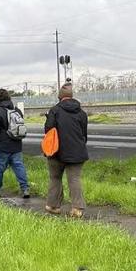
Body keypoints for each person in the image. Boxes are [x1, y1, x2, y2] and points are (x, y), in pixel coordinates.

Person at [43, 82, 88, 218]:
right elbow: (84, 134)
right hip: (77, 151)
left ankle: (53, 206)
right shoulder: (81, 113)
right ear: (72, 97)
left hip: (56, 151)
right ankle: (77, 209)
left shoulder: (55, 110)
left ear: (60, 97)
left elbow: (48, 130)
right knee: (74, 179)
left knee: (55, 178)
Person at [0, 89, 30, 199]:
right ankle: (25, 189)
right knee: (19, 166)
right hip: (16, 145)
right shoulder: (17, 110)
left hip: (1, 146)